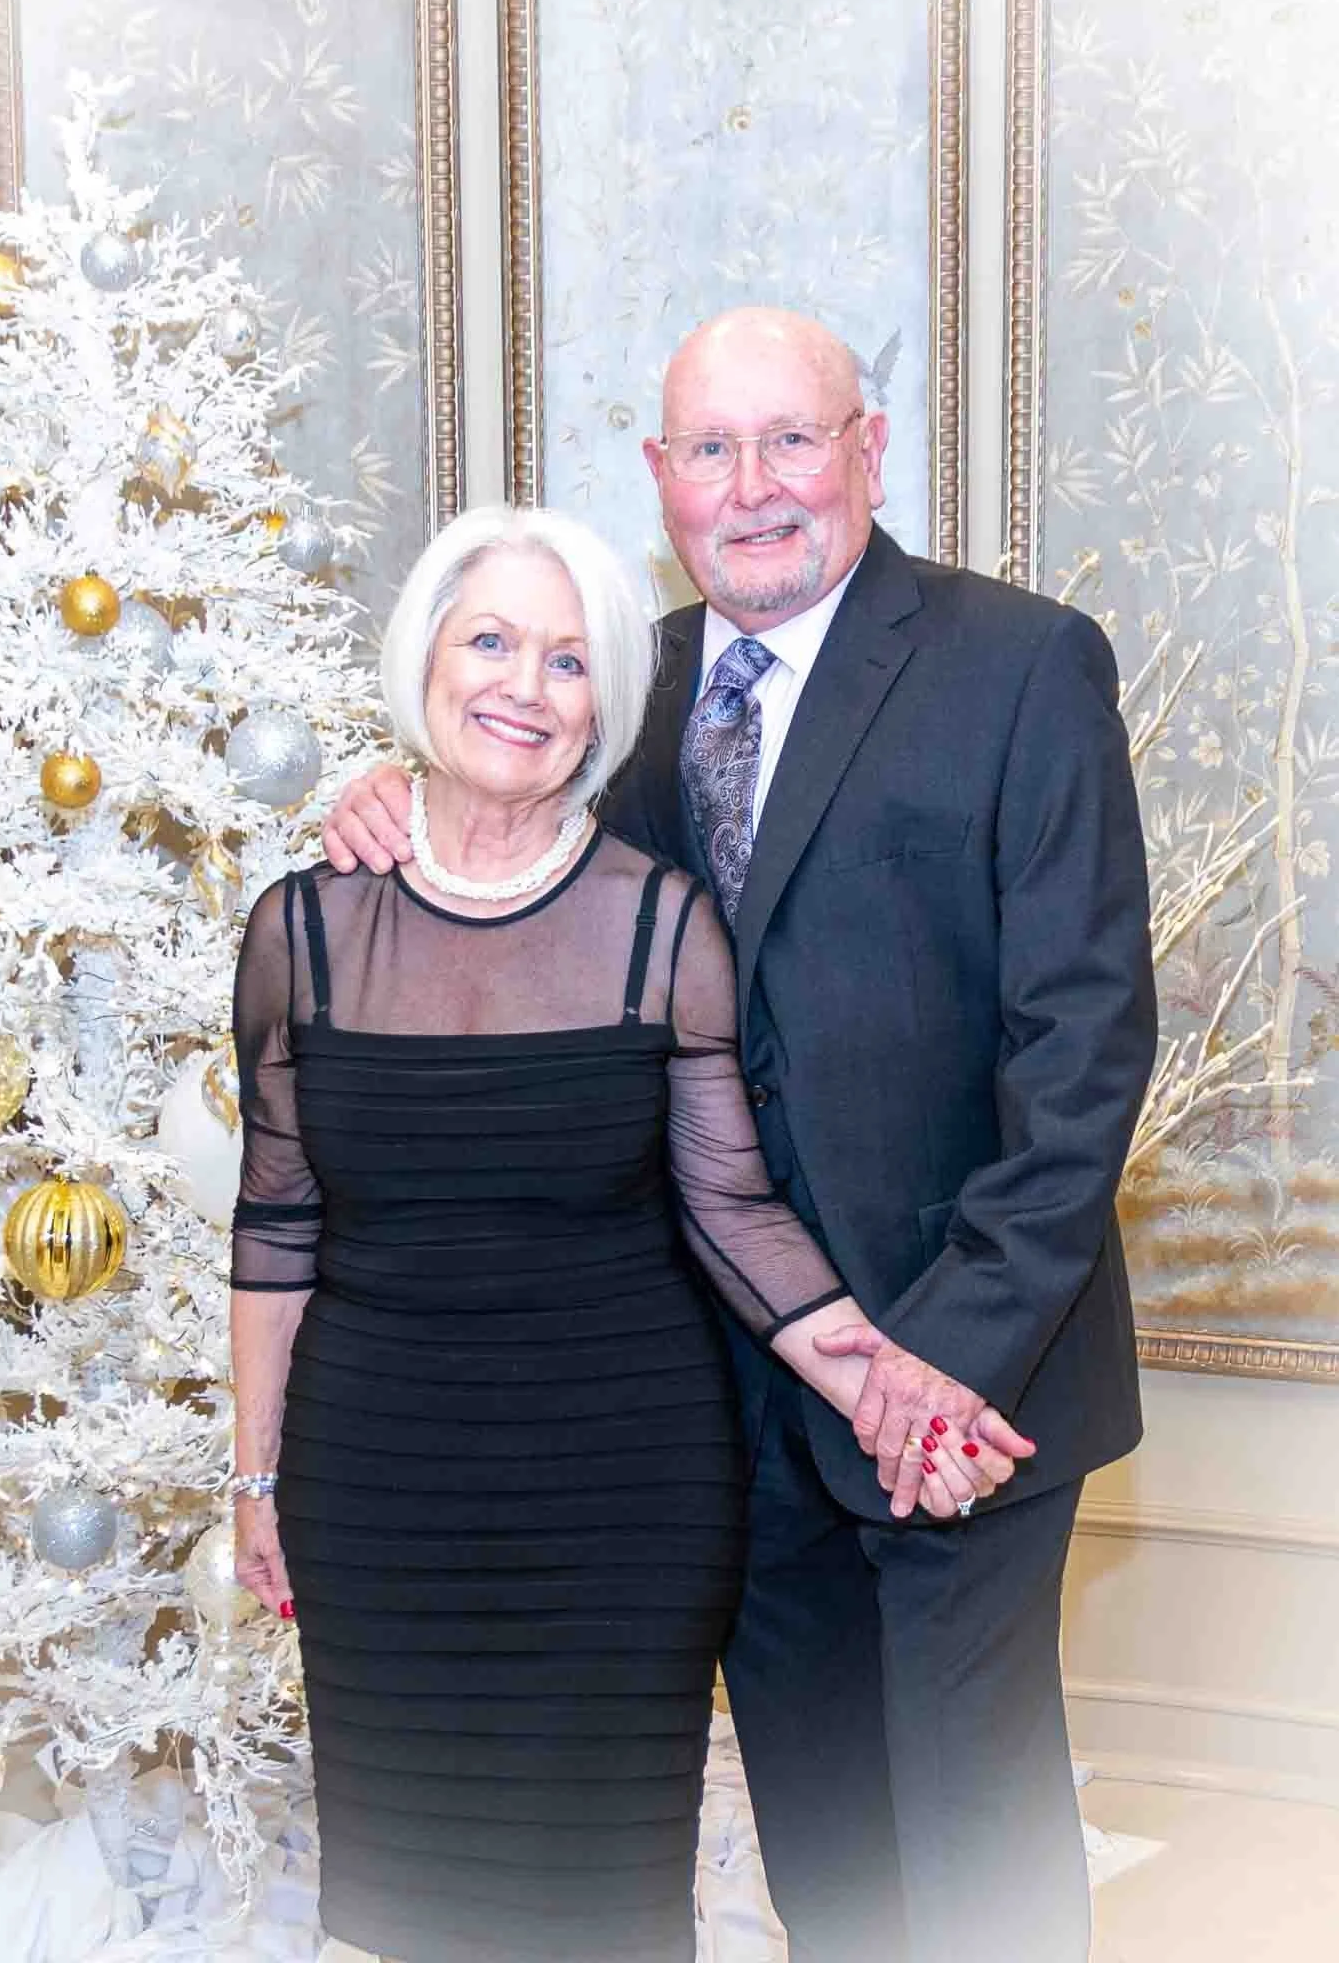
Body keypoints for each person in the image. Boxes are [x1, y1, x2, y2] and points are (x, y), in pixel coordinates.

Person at [323, 308, 1158, 1963]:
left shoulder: (1019, 662)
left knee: (978, 1866)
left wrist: (940, 1364)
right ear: (661, 477)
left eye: (794, 440)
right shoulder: (626, 690)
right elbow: (509, 856)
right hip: (724, 1398)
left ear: (867, 447)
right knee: (829, 1859)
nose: (754, 487)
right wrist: (386, 794)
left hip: (958, 1387)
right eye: (712, 450)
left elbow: (1081, 1055)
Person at [229, 501, 1027, 1963]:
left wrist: (877, 1376)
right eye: (489, 643)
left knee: (600, 1906)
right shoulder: (304, 929)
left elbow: (730, 1207)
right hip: (380, 1486)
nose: (522, 688)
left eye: (566, 660)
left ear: (608, 701)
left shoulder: (660, 926)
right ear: (424, 664)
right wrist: (252, 1479)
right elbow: (275, 1218)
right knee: (412, 1892)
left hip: (620, 1492)